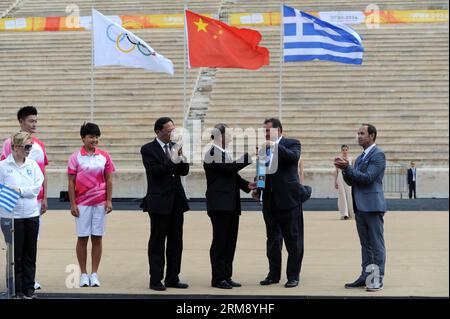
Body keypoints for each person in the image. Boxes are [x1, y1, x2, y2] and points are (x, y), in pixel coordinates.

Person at [252, 118, 304, 288]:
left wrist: (274, 146)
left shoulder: (292, 143)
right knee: (273, 240)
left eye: (268, 131)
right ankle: (273, 275)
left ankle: (293, 276)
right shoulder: (263, 149)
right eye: (264, 131)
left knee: (293, 240)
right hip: (269, 201)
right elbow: (261, 170)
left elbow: (293, 158)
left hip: (289, 201)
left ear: (279, 131)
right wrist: (258, 189)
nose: (265, 134)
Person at [334, 124, 387, 292]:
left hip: (372, 206)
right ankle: (366, 276)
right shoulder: (359, 157)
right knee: (366, 245)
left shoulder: (378, 154)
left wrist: (348, 168)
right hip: (360, 207)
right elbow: (352, 182)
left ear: (372, 136)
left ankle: (377, 279)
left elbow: (368, 178)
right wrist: (344, 170)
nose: (359, 136)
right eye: (358, 133)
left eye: (362, 133)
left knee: (376, 244)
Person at [203, 123, 256, 289]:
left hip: (230, 204)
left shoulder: (223, 153)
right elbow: (228, 169)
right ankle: (218, 278)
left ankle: (226, 275)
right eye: (230, 134)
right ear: (221, 136)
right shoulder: (212, 153)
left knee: (230, 241)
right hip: (220, 205)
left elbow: (231, 175)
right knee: (220, 241)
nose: (232, 137)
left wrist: (248, 185)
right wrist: (249, 156)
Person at [1, 106, 48, 290]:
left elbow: (41, 178)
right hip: (12, 211)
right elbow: (4, 184)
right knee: (15, 252)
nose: (29, 149)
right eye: (31, 120)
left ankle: (29, 283)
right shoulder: (7, 146)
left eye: (36, 121)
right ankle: (15, 286)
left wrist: (41, 197)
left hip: (31, 208)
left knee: (31, 246)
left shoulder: (39, 147)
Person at [141, 117, 190, 291]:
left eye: (173, 130)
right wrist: (172, 159)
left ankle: (172, 277)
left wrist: (181, 156)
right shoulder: (148, 149)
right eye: (169, 131)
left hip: (176, 201)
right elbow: (156, 171)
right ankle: (155, 279)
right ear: (158, 131)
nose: (172, 133)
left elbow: (184, 171)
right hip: (158, 202)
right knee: (157, 241)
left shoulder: (175, 148)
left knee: (176, 241)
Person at [68, 123, 115, 288]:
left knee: (97, 238)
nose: (94, 140)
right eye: (91, 137)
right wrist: (73, 204)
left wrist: (109, 200)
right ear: (83, 138)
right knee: (82, 238)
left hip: (100, 203)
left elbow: (109, 179)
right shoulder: (75, 157)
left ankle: (94, 274)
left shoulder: (104, 156)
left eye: (96, 137)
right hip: (82, 203)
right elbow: (71, 182)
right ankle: (83, 274)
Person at [334, 145, 354, 220]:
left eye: (346, 150)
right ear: (341, 151)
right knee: (342, 195)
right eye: (343, 150)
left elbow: (353, 170)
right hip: (340, 177)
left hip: (348, 178)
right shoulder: (337, 159)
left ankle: (350, 212)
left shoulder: (351, 159)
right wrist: (335, 181)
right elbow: (336, 171)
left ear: (348, 150)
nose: (345, 151)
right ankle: (344, 213)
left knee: (349, 195)